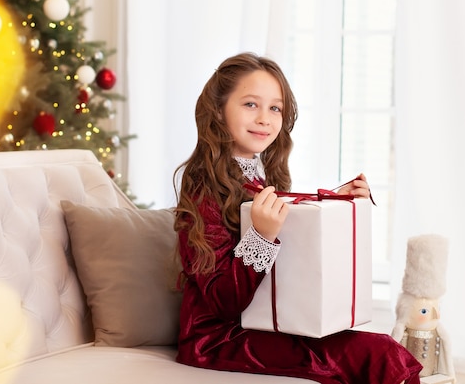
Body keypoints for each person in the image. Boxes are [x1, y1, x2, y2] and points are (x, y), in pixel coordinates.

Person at [173, 52, 422, 384]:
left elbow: (291, 243)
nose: (265, 118)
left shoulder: (259, 175)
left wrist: (335, 199)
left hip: (269, 321)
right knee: (374, 353)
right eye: (250, 104)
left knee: (376, 348)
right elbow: (222, 303)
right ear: (218, 110)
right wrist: (260, 238)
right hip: (216, 338)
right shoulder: (203, 185)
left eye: (275, 108)